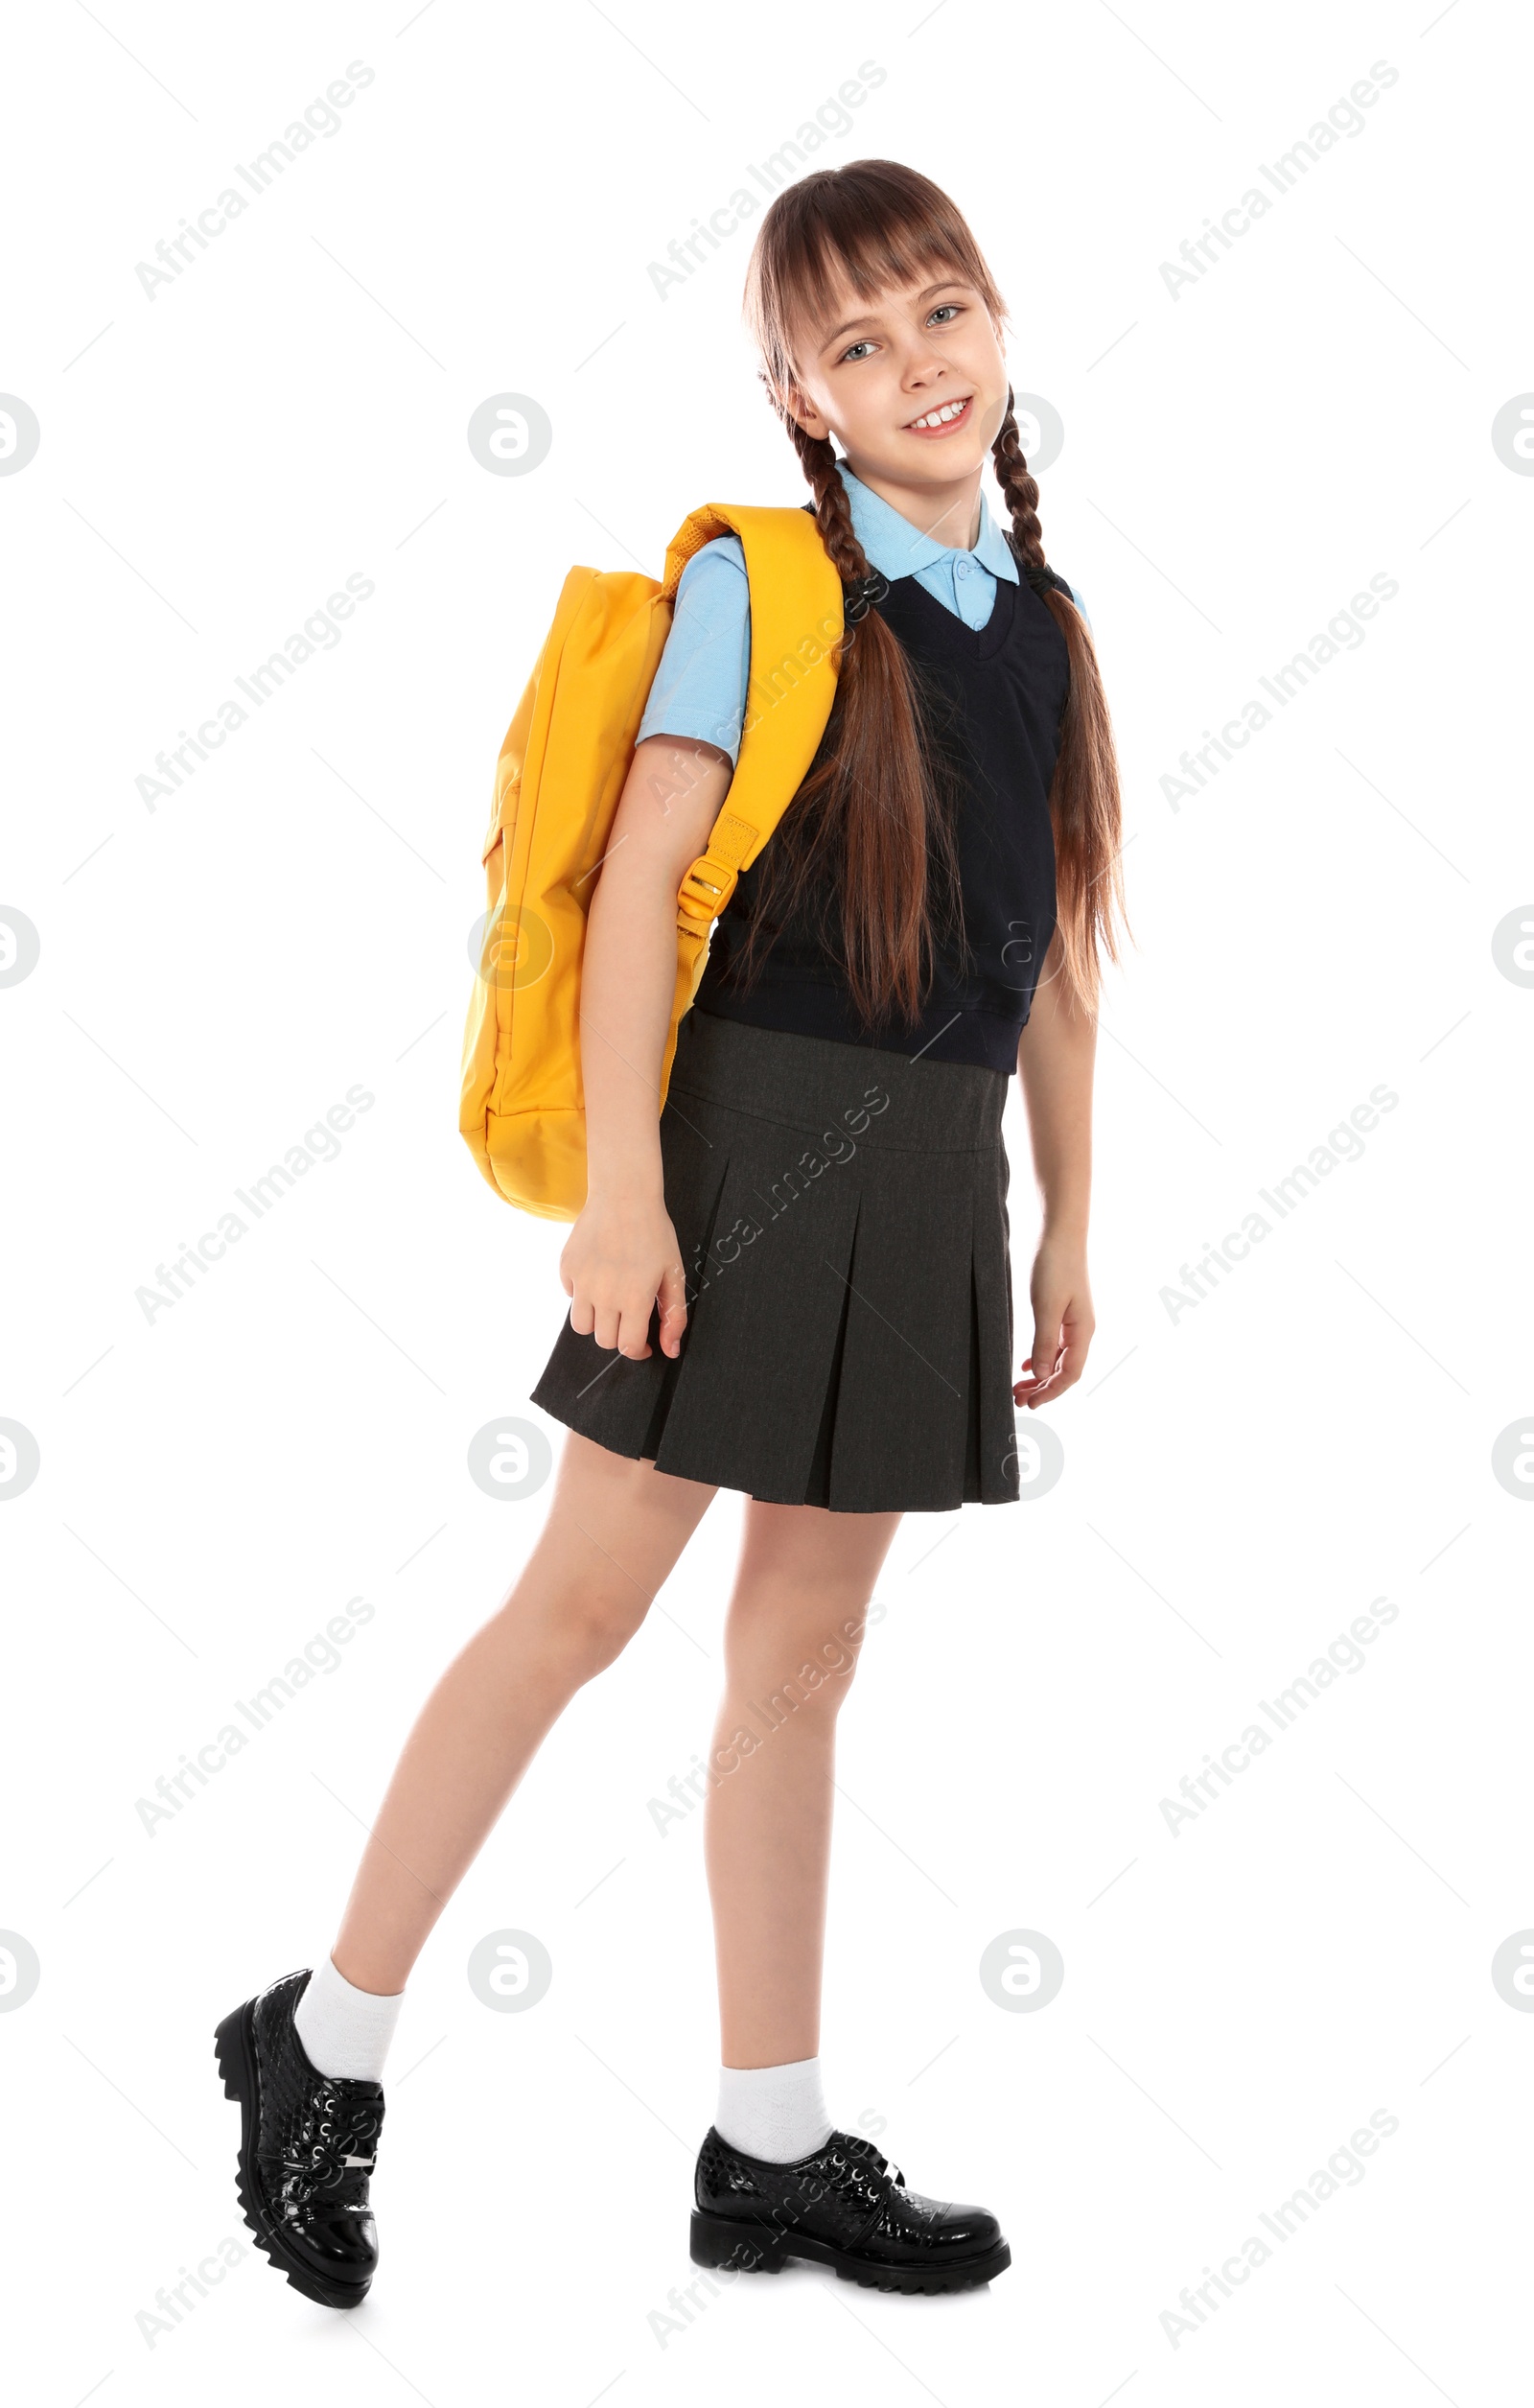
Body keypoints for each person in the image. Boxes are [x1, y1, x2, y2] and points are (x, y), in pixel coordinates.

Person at [215, 156, 1127, 2306]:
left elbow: (1055, 954)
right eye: (855, 344)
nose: (912, 366)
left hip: (926, 1173)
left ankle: (768, 2142)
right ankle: (317, 2041)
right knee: (578, 1612)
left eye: (939, 313)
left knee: (796, 1661)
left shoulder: (1048, 627)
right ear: (793, 397)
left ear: (998, 322)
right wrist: (621, 1186)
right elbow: (640, 886)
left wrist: (1070, 1210)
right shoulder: (767, 591)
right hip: (737, 1149)